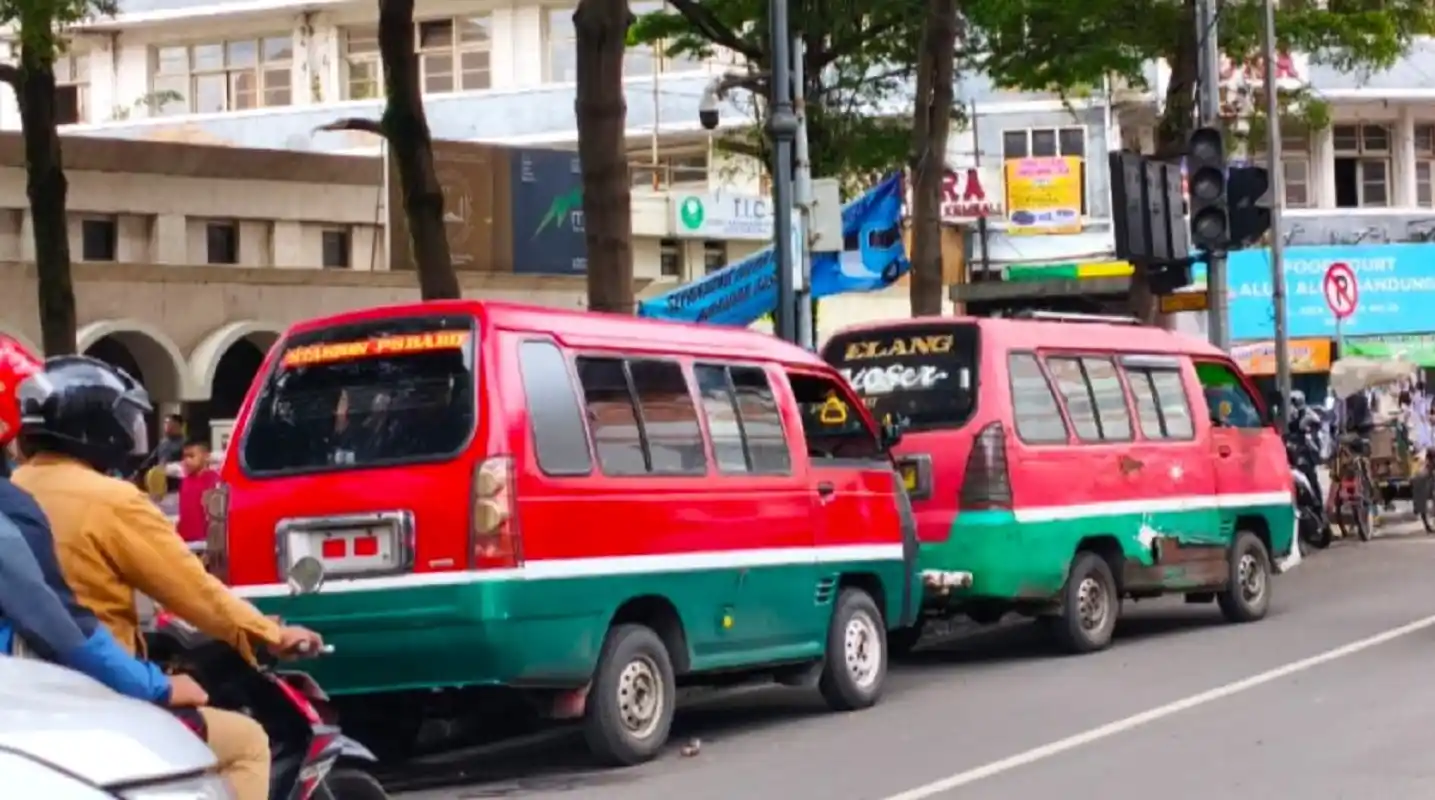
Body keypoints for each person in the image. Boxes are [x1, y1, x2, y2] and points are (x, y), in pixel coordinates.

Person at [10, 354, 324, 800]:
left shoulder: (14, 492)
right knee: (249, 742)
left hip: (27, 703)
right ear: (99, 428)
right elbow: (192, 590)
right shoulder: (114, 500)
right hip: (101, 695)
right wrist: (268, 632)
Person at [0, 336, 208, 709]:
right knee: (243, 744)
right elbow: (59, 623)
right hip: (31, 708)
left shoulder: (19, 488)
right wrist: (154, 685)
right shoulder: (11, 508)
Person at [176, 439, 220, 547]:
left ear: (206, 456)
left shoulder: (214, 480)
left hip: (204, 540)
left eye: (191, 456)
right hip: (185, 539)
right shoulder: (185, 480)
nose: (186, 461)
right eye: (184, 457)